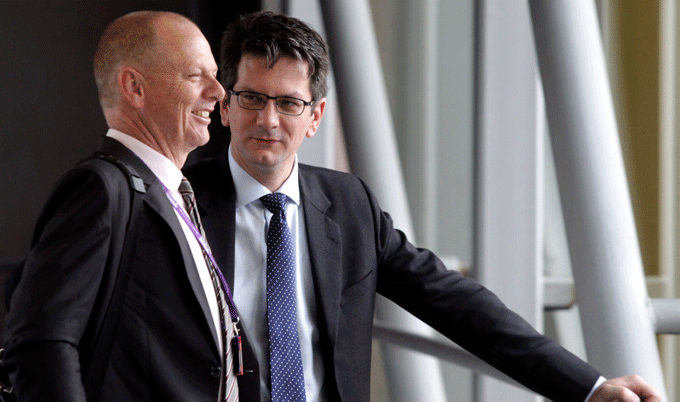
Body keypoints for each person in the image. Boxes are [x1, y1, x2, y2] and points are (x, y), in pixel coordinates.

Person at [184, 10, 663, 402]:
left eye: (289, 103)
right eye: (252, 98)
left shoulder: (349, 206)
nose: (268, 119)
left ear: (315, 117)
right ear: (226, 106)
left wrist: (589, 388)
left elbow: (459, 307)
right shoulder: (179, 205)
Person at [2, 11, 240, 402]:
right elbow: (39, 342)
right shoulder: (101, 188)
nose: (218, 92)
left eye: (215, 76)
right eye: (195, 75)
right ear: (134, 87)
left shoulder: (174, 194)